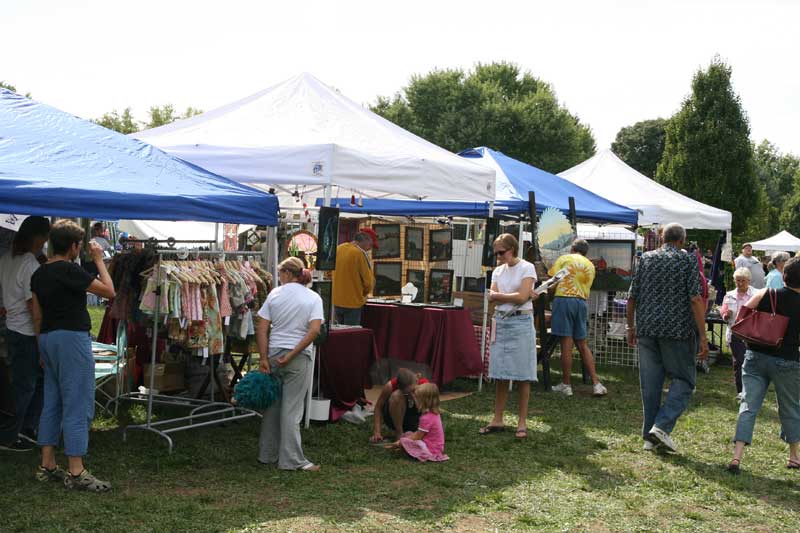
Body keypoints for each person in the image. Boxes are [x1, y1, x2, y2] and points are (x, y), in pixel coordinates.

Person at [32, 220, 115, 490]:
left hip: (47, 339)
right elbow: (109, 291)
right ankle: (76, 471)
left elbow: (37, 314)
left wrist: (41, 347)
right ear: (74, 246)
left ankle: (47, 465)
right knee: (78, 402)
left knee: (52, 402)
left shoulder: (39, 273)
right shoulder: (69, 270)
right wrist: (99, 260)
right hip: (71, 340)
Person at [626, 223, 708, 453]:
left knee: (650, 386)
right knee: (685, 380)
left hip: (647, 329)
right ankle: (660, 427)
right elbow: (695, 299)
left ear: (662, 238)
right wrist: (703, 336)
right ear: (682, 240)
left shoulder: (647, 259)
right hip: (678, 331)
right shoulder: (688, 260)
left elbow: (632, 296)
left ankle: (648, 437)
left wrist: (630, 326)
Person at [727, 256, 800, 474]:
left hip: (755, 356)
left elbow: (743, 315)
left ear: (784, 275)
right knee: (790, 408)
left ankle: (737, 457)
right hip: (787, 360)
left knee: (748, 405)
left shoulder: (766, 293)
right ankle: (794, 456)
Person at [256, 257, 323, 471]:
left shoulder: (274, 294)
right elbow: (314, 331)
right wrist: (293, 353)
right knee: (292, 410)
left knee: (272, 408)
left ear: (286, 273)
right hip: (298, 356)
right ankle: (291, 460)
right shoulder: (313, 297)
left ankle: (267, 454)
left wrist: (264, 358)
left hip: (274, 352)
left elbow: (261, 328)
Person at [479, 234, 537, 440]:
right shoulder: (497, 271)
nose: (498, 257)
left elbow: (518, 297)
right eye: (495, 253)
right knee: (501, 373)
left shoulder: (527, 267)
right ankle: (497, 418)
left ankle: (522, 421)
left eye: (501, 252)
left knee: (523, 374)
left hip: (521, 322)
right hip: (501, 321)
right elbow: (496, 298)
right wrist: (515, 295)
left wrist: (499, 296)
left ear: (512, 249)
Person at [0, 216, 50, 452]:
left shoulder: (8, 258)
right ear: (39, 238)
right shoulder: (29, 264)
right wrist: (42, 340)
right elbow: (34, 308)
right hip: (27, 330)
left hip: (13, 325)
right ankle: (9, 435)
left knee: (32, 381)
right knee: (26, 384)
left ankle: (26, 426)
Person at [548, 238, 607, 397]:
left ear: (572, 249)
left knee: (566, 344)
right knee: (582, 344)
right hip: (581, 303)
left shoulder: (564, 259)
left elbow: (552, 282)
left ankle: (566, 385)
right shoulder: (590, 265)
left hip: (564, 300)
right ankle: (596, 383)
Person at [389, 382, 449, 462]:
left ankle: (420, 453)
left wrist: (400, 442)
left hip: (431, 449)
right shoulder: (433, 414)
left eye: (416, 398)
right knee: (408, 434)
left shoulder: (426, 418)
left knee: (406, 440)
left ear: (424, 401)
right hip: (436, 446)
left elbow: (418, 436)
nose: (414, 400)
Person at [720, 267, 756, 398]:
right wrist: (725, 315)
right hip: (735, 332)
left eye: (743, 280)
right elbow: (723, 310)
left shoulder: (756, 294)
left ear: (748, 280)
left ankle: (752, 390)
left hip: (752, 333)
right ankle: (741, 392)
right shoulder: (729, 294)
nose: (740, 283)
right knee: (739, 361)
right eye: (737, 281)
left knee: (752, 362)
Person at [369, 368, 428, 444]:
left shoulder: (424, 384)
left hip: (415, 418)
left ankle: (414, 431)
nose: (410, 394)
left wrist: (416, 398)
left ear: (417, 381)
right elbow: (378, 407)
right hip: (394, 419)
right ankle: (399, 432)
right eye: (407, 393)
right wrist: (377, 432)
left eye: (412, 390)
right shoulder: (390, 386)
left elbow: (428, 410)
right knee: (396, 395)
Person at [332, 231, 375, 325]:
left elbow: (329, 273)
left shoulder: (338, 249)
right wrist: (364, 293)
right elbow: (368, 282)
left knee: (338, 332)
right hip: (353, 302)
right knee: (350, 334)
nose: (369, 249)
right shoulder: (359, 253)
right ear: (365, 241)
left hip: (336, 301)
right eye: (370, 245)